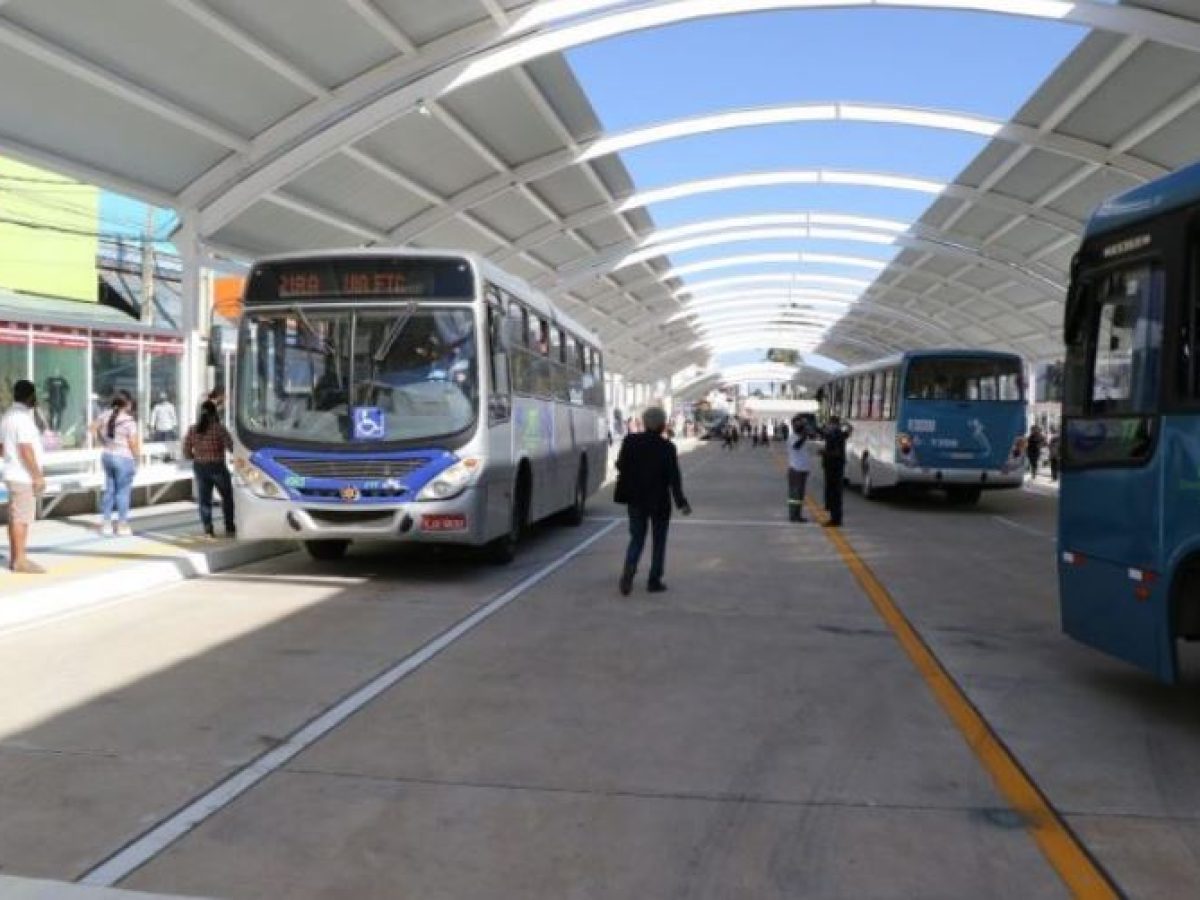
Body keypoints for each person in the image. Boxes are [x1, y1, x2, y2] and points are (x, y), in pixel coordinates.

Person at [613, 407, 691, 595]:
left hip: (636, 500)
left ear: (644, 423)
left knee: (637, 538)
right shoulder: (668, 448)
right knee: (659, 541)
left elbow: (620, 465)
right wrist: (682, 502)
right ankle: (654, 580)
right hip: (659, 502)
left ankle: (629, 571)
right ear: (663, 425)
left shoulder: (630, 441)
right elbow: (674, 478)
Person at [2, 380, 47, 573]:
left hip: (12, 472)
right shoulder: (22, 418)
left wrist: (10, 459)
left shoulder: (7, 416)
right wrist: (37, 476)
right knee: (21, 518)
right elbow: (26, 449)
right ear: (31, 396)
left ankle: (16, 557)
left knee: (16, 517)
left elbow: (2, 447)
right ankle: (20, 560)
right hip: (22, 475)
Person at [183, 400, 236, 539]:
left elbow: (186, 451)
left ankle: (208, 529)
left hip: (200, 467)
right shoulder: (219, 428)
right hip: (217, 468)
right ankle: (229, 525)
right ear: (214, 413)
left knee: (204, 499)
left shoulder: (193, 429)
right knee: (227, 497)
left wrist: (196, 456)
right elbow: (232, 447)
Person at [93, 392, 140, 536]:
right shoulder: (129, 421)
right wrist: (138, 458)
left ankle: (106, 524)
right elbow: (132, 443)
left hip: (107, 455)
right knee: (123, 492)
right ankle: (122, 525)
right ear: (127, 404)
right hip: (124, 458)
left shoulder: (105, 415)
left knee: (110, 490)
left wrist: (103, 441)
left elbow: (92, 428)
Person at [821, 415, 852, 528]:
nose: (828, 426)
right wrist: (846, 423)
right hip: (836, 467)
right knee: (835, 494)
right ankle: (835, 517)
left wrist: (824, 453)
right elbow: (850, 430)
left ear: (833, 424)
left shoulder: (834, 435)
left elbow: (836, 453)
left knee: (833, 494)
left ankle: (835, 519)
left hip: (833, 467)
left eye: (830, 424)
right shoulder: (839, 433)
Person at [787, 414, 811, 523]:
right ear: (794, 425)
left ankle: (798, 514)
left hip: (802, 470)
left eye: (803, 424)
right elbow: (796, 446)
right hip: (795, 470)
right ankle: (793, 515)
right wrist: (804, 436)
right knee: (794, 495)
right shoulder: (793, 437)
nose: (802, 426)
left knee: (800, 495)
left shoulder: (802, 436)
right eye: (799, 423)